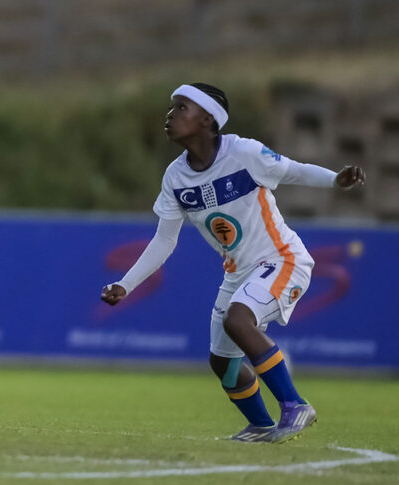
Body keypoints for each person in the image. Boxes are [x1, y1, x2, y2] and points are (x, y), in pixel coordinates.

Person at [101, 83, 365, 443]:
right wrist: (125, 284)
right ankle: (260, 425)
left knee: (238, 319)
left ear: (208, 118)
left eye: (181, 108)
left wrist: (335, 179)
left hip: (283, 259)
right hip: (239, 274)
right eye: (171, 108)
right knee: (222, 362)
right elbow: (165, 239)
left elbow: (294, 170)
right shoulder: (175, 178)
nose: (170, 115)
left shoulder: (243, 152)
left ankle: (294, 405)